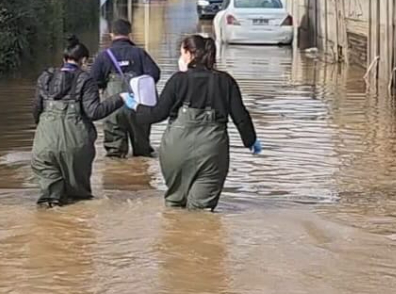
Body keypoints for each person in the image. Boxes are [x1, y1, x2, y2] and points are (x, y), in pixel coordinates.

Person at [126, 35, 260, 211]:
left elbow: (157, 114)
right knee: (201, 211)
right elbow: (240, 117)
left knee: (175, 203)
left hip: (176, 150)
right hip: (211, 150)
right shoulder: (225, 81)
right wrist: (250, 141)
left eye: (181, 52)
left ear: (188, 54)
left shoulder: (177, 80)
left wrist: (135, 106)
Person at [32, 35, 127, 207]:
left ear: (64, 58)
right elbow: (94, 112)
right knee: (78, 201)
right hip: (75, 142)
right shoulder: (85, 79)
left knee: (49, 198)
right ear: (84, 60)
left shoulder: (45, 77)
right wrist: (120, 98)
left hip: (44, 142)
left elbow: (36, 110)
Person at [90, 18, 161, 158]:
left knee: (114, 154)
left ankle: (116, 177)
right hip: (138, 107)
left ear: (111, 34)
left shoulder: (103, 56)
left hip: (113, 108)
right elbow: (154, 75)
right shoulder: (139, 53)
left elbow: (93, 82)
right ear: (130, 34)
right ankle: (141, 176)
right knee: (143, 154)